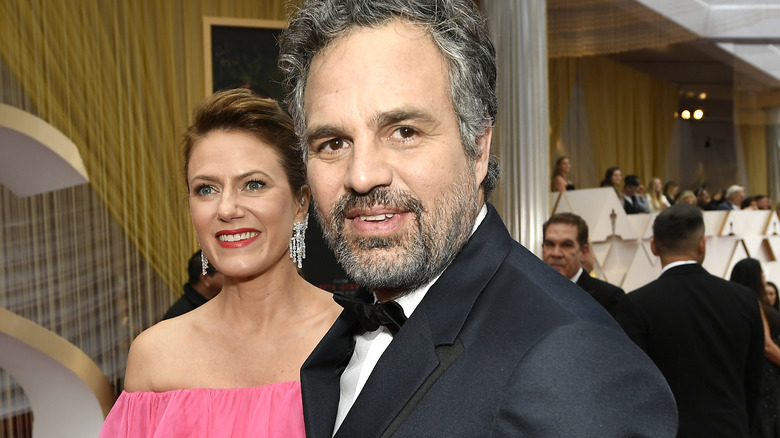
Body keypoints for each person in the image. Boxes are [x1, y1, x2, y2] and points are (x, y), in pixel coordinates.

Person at [278, 1, 678, 436]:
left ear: (478, 148)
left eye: (404, 132)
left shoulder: (572, 362)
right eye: (333, 143)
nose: (361, 176)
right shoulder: (346, 329)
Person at [99, 89, 342, 437]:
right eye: (206, 189)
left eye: (253, 184)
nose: (227, 208)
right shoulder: (155, 357)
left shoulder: (358, 338)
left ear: (301, 203)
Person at [616, 205, 763, 437]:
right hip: (730, 429)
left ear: (654, 246)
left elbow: (633, 386)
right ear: (702, 244)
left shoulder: (636, 304)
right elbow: (754, 381)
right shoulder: (743, 299)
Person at [731, 258, 780, 437]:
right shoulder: (754, 304)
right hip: (765, 375)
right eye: (762, 274)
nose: (764, 278)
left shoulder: (733, 303)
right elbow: (767, 346)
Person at [542, 213, 625, 317]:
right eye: (550, 244)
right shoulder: (528, 291)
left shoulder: (610, 298)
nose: (556, 253)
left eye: (567, 245)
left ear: (584, 252)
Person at [161, 250, 224, 320]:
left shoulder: (215, 303)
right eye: (223, 273)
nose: (231, 276)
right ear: (206, 278)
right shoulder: (180, 315)